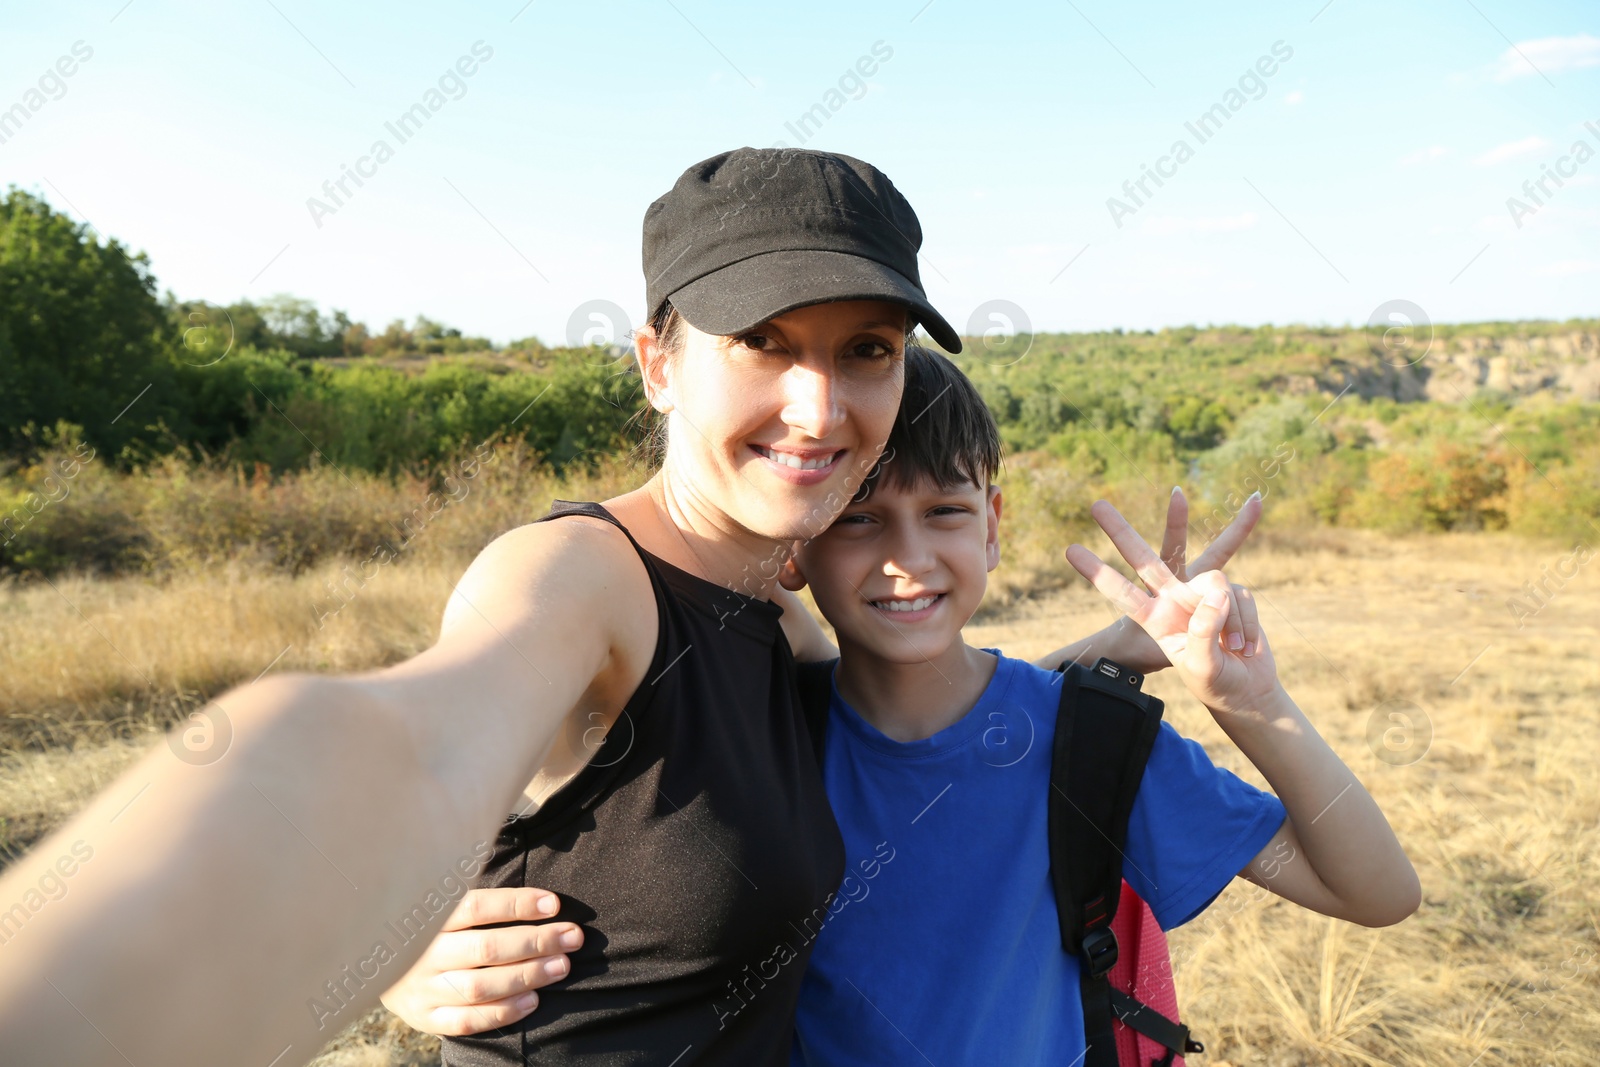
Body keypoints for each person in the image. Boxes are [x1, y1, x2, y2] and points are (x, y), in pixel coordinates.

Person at [0, 148, 1259, 1067]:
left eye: (866, 347)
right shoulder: (581, 581)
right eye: (763, 341)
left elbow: (886, 703)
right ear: (657, 359)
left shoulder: (775, 593)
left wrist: (1101, 655)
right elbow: (403, 747)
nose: (822, 408)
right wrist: (375, 942)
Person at [779, 349, 1420, 1063]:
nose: (908, 556)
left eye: (944, 511)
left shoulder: (1087, 739)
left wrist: (1251, 700)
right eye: (858, 517)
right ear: (794, 543)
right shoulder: (768, 727)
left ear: (992, 527)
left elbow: (1377, 891)